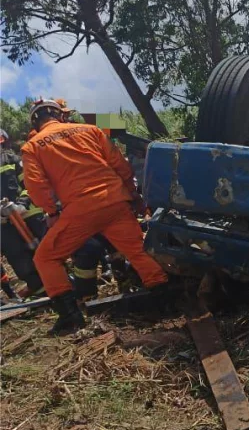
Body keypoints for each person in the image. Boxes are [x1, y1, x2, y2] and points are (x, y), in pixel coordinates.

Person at [21, 100, 169, 335]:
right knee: (137, 252)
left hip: (80, 211)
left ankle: (70, 317)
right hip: (115, 202)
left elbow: (35, 186)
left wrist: (51, 212)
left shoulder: (32, 146)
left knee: (46, 258)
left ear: (35, 122)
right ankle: (165, 299)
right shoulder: (90, 130)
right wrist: (133, 196)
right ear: (60, 115)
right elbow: (121, 164)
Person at [0, 129, 46, 298]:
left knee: (40, 249)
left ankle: (58, 284)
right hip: (3, 224)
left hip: (25, 215)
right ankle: (39, 289)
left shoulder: (13, 160)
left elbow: (29, 185)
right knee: (16, 254)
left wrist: (20, 204)